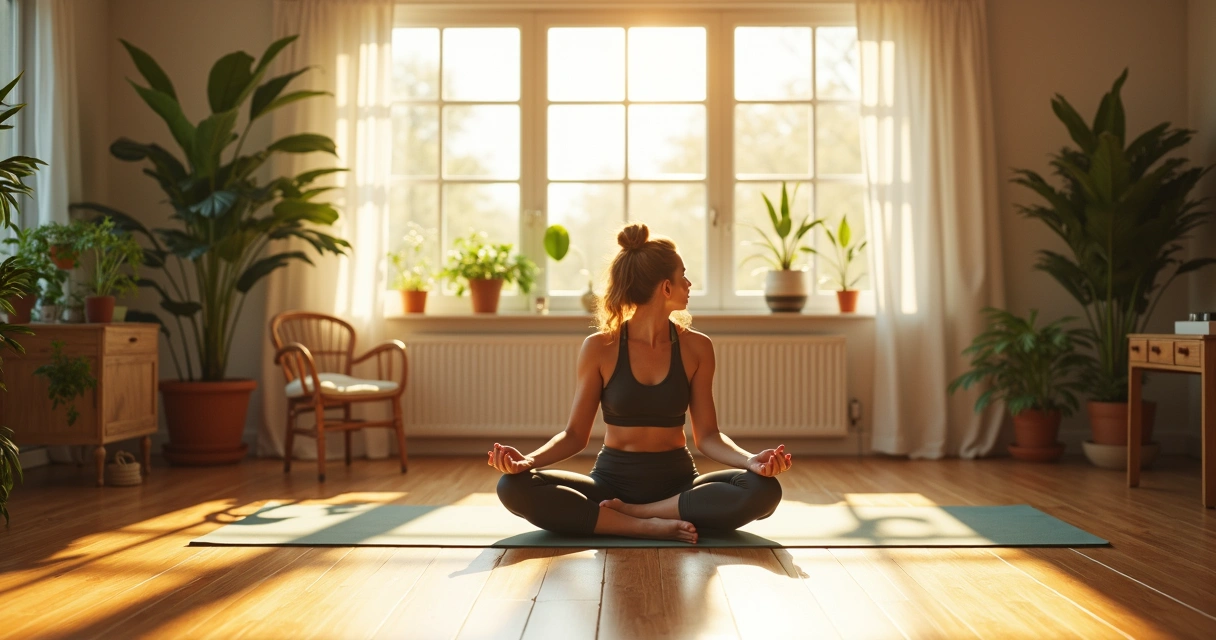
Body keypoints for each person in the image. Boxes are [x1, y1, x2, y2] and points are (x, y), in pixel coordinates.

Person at [491, 223, 792, 544]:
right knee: (513, 486)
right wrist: (528, 462)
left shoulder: (697, 347)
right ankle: (641, 525)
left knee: (763, 489)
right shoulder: (600, 347)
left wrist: (751, 462)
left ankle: (637, 514)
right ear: (665, 288)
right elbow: (575, 435)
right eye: (683, 276)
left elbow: (708, 436)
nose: (689, 284)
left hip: (678, 486)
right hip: (609, 484)